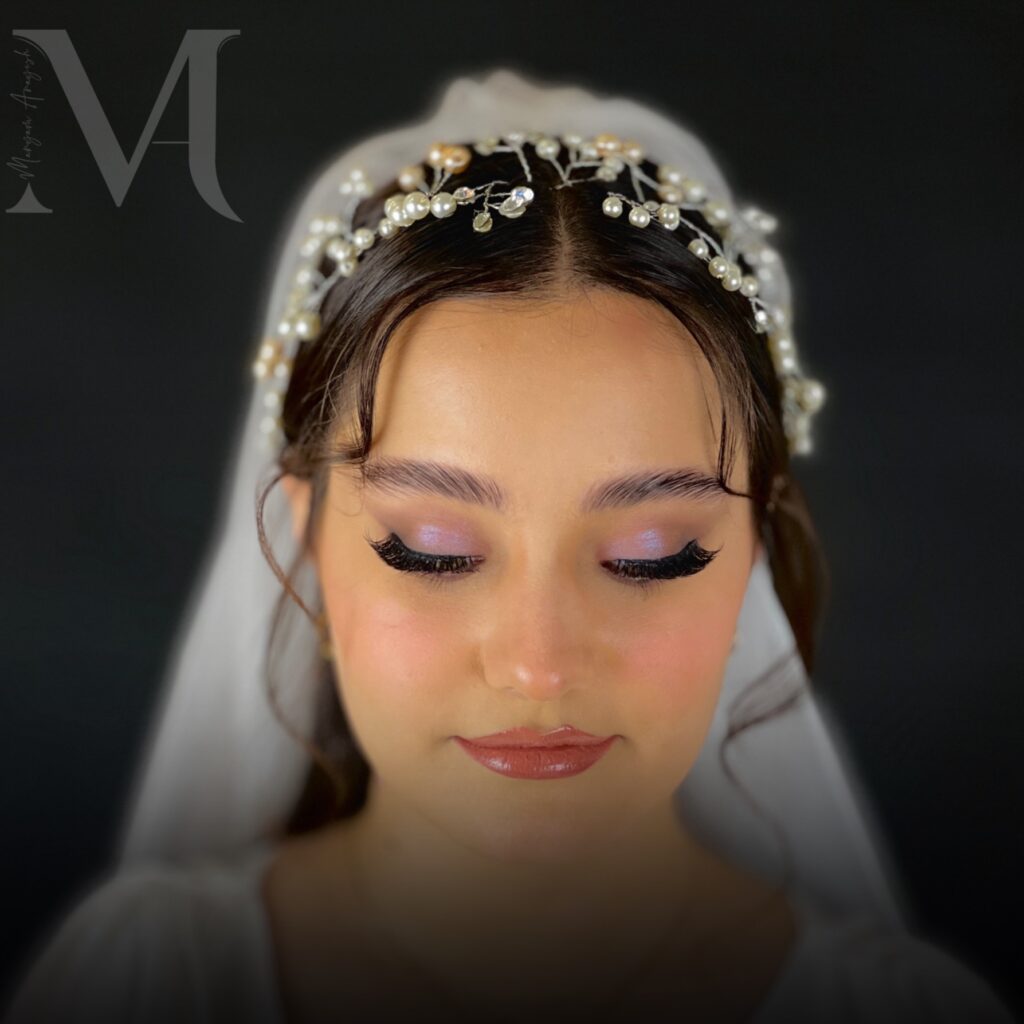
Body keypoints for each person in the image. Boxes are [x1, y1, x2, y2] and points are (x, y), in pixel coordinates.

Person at [4, 68, 1015, 1024]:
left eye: (653, 552)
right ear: (305, 544)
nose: (538, 665)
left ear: (753, 549)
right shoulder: (140, 983)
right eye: (430, 549)